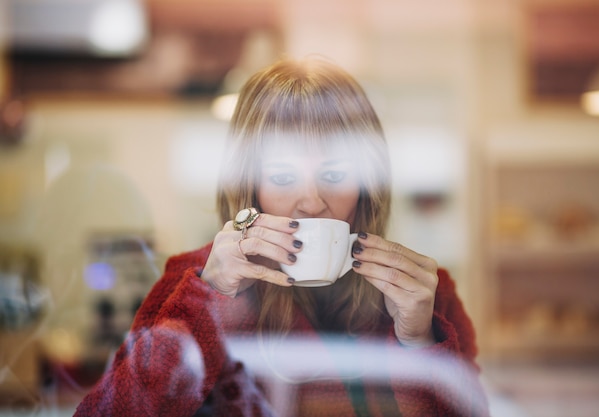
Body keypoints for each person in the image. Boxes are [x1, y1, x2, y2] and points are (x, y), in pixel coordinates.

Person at [74, 56, 490, 417]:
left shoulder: (422, 296)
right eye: (282, 176)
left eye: (334, 175)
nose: (310, 202)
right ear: (249, 186)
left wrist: (420, 341)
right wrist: (209, 294)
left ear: (367, 186)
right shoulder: (193, 281)